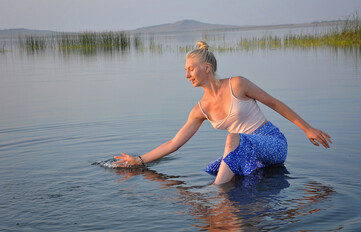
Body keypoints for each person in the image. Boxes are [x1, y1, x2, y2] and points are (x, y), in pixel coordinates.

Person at [113, 40, 332, 185]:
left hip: (272, 142)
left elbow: (274, 103)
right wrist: (139, 160)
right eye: (185, 70)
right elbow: (174, 143)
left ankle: (217, 196)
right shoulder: (200, 109)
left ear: (207, 68)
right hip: (246, 154)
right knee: (212, 169)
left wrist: (307, 128)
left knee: (232, 140)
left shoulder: (237, 84)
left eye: (190, 69)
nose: (187, 75)